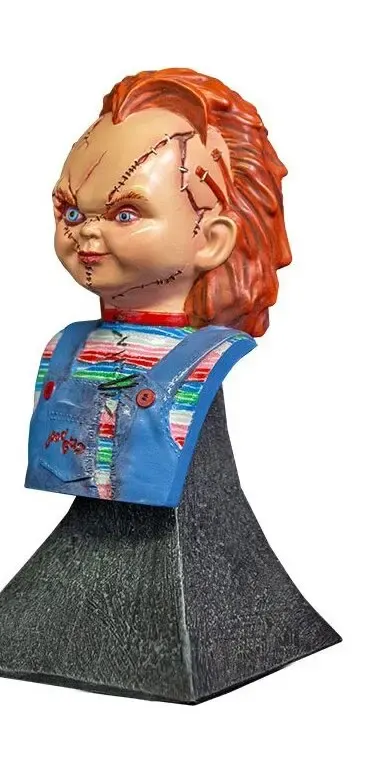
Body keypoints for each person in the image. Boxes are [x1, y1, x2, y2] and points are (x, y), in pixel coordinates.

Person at [25, 68, 291, 506]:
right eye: (71, 212)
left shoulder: (205, 358)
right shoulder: (62, 351)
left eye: (125, 214)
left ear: (212, 240)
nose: (86, 231)